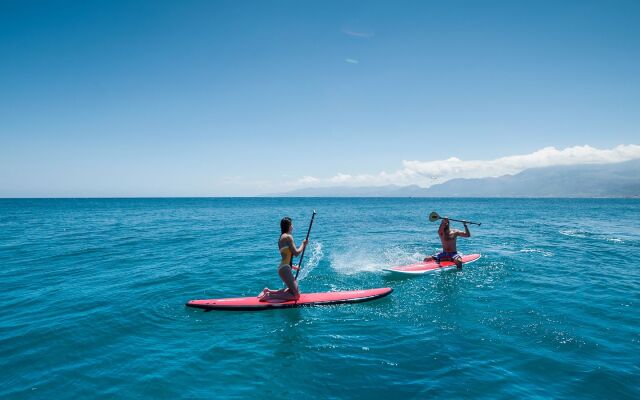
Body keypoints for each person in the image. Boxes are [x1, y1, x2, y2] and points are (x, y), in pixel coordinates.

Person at [258, 217, 308, 302]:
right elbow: (296, 253)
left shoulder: (281, 237)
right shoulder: (288, 237)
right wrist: (303, 244)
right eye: (291, 224)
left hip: (284, 267)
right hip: (285, 268)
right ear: (288, 226)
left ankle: (268, 291)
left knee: (290, 290)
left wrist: (293, 267)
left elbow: (286, 256)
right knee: (296, 296)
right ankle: (269, 296)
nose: (292, 226)